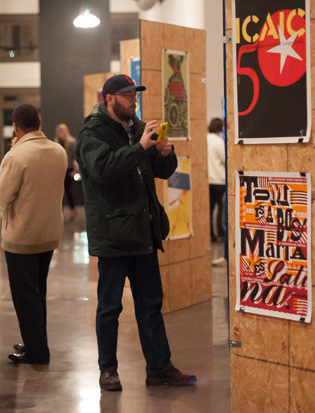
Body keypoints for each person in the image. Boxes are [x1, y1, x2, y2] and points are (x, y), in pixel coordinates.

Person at [76, 74, 197, 391]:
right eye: (128, 95)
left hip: (143, 232)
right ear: (109, 99)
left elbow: (159, 172)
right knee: (109, 307)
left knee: (151, 304)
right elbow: (104, 170)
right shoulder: (92, 133)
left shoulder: (137, 128)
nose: (134, 100)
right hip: (114, 235)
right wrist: (140, 146)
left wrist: (163, 153)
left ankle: (159, 368)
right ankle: (108, 370)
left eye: (135, 94)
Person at [0, 104, 67, 364]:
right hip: (48, 233)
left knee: (25, 297)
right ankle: (36, 343)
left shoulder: (16, 156)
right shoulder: (58, 151)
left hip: (22, 238)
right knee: (38, 292)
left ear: (16, 126)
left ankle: (37, 352)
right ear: (40, 121)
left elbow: (1, 199)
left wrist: (13, 152)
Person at [54, 123, 79, 221]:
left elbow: (75, 157)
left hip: (69, 170)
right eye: (59, 131)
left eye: (62, 131)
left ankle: (72, 210)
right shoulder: (56, 143)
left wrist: (75, 170)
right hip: (60, 170)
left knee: (68, 192)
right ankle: (60, 213)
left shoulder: (71, 142)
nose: (60, 133)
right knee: (60, 193)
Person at [207, 117, 226, 243]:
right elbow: (225, 159)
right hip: (219, 179)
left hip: (208, 179)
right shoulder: (219, 142)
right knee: (221, 208)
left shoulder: (205, 139)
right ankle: (220, 233)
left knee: (210, 208)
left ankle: (211, 234)